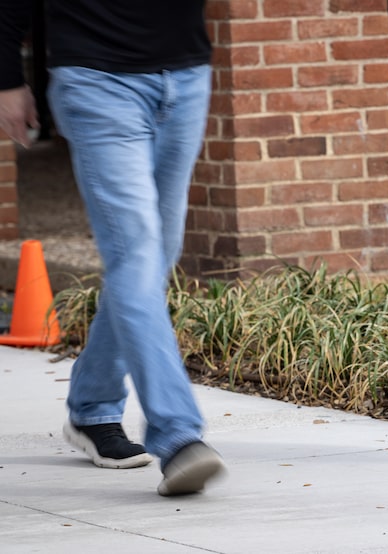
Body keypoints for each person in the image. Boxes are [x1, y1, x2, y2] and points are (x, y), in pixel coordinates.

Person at [0, 0, 226, 496]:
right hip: (95, 78)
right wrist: (7, 76)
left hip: (184, 76)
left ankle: (92, 404)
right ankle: (178, 434)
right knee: (139, 254)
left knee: (154, 257)